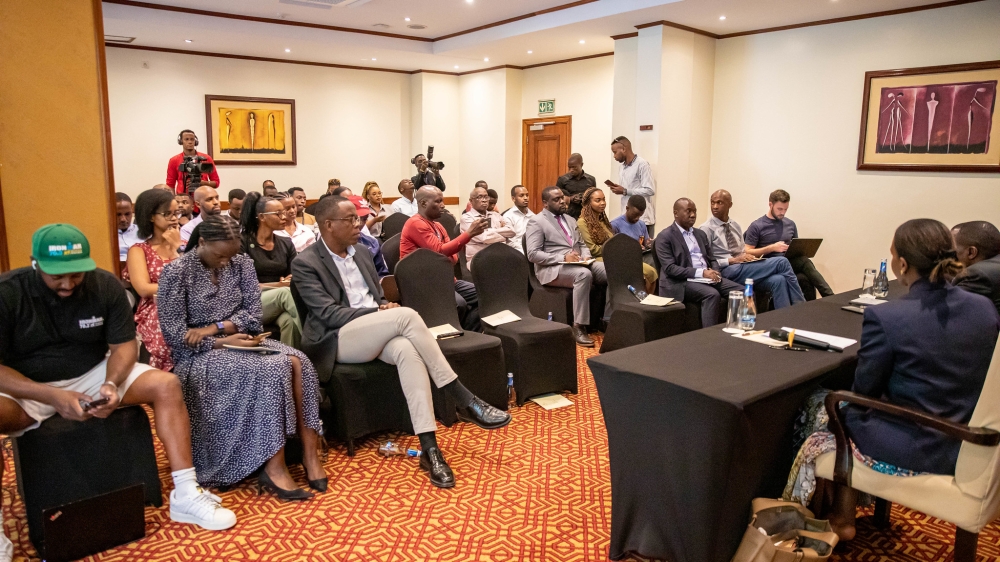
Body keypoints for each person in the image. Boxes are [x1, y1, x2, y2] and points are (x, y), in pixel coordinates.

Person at [0, 224, 236, 531]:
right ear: (35, 264)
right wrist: (52, 396)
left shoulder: (104, 285)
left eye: (76, 274)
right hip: (28, 383)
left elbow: (124, 346)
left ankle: (186, 493)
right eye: (57, 276)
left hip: (93, 372)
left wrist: (110, 383)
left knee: (166, 384)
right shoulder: (8, 293)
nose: (68, 284)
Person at [783, 218, 1000, 542]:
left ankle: (834, 516)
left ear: (900, 264)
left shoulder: (888, 317)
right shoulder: (984, 308)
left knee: (825, 404)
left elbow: (864, 390)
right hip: (966, 441)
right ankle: (846, 512)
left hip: (916, 445)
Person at [292, 196, 510, 488]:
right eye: (351, 220)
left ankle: (430, 449)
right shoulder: (306, 262)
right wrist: (379, 311)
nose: (360, 224)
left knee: (408, 350)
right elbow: (327, 314)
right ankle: (462, 397)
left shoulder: (361, 253)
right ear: (328, 225)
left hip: (374, 330)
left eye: (359, 218)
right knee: (406, 315)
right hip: (337, 340)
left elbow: (379, 296)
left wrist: (381, 309)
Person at [157, 215, 325, 499]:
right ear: (201, 243)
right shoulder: (176, 273)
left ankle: (311, 456)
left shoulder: (242, 263)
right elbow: (176, 336)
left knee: (300, 362)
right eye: (220, 255)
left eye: (231, 254)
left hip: (241, 341)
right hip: (199, 357)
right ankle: (274, 468)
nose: (226, 262)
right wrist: (219, 343)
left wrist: (215, 328)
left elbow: (254, 316)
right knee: (274, 367)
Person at [525, 186, 609, 347]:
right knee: (583, 275)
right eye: (556, 199)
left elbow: (582, 244)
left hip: (579, 263)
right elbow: (533, 254)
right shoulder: (537, 221)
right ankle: (578, 326)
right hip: (552, 268)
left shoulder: (570, 219)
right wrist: (563, 257)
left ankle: (608, 318)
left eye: (562, 197)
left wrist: (586, 256)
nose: (562, 201)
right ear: (545, 203)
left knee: (611, 270)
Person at [400, 186, 488, 332]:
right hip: (423, 283)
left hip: (445, 280)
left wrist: (445, 254)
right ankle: (452, 338)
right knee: (459, 303)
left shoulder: (438, 226)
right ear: (422, 203)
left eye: (443, 201)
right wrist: (469, 234)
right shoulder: (415, 223)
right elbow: (440, 251)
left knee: (486, 295)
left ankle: (468, 333)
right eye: (438, 201)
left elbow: (452, 258)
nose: (443, 205)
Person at [699, 189, 804, 309]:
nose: (715, 206)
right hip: (726, 270)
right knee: (782, 262)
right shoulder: (706, 229)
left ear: (730, 205)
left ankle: (785, 320)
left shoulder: (735, 225)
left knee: (778, 280)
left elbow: (742, 251)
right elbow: (704, 262)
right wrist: (731, 260)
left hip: (743, 267)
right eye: (712, 203)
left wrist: (749, 257)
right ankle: (800, 306)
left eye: (719, 203)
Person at [655, 198, 742, 328]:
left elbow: (712, 259)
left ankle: (737, 328)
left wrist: (716, 271)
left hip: (705, 277)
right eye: (688, 211)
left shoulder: (700, 234)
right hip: (681, 282)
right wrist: (702, 273)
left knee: (740, 291)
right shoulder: (665, 236)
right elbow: (670, 269)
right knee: (712, 294)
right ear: (676, 213)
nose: (693, 215)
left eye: (695, 211)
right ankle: (708, 338)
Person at [123, 189, 182, 371]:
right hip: (156, 307)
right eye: (167, 214)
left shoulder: (184, 246)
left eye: (176, 213)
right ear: (150, 217)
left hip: (188, 303)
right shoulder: (139, 250)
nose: (174, 218)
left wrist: (176, 250)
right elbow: (143, 288)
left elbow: (195, 282)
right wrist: (176, 288)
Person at [238, 193, 302, 349]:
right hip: (250, 303)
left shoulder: (286, 243)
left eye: (284, 212)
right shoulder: (242, 242)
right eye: (278, 213)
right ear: (261, 217)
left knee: (289, 321)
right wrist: (279, 285)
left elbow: (294, 275)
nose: (284, 217)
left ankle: (290, 362)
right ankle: (316, 341)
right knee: (285, 294)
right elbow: (243, 285)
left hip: (279, 301)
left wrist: (287, 282)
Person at [745, 189, 834, 298]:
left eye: (785, 209)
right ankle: (830, 295)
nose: (782, 212)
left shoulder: (790, 224)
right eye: (779, 209)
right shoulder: (757, 226)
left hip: (788, 263)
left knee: (805, 278)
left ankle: (810, 310)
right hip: (769, 265)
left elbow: (796, 248)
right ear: (770, 204)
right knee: (804, 262)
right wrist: (772, 248)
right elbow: (747, 251)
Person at [606, 194, 659, 294]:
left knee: (655, 258)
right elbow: (613, 249)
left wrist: (649, 243)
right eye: (635, 215)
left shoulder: (642, 224)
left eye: (640, 216)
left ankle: (651, 296)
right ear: (627, 208)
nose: (637, 218)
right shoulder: (615, 225)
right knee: (651, 267)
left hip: (641, 255)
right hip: (625, 258)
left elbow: (645, 241)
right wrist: (633, 248)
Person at [607, 137, 655, 236]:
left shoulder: (642, 164)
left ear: (624, 149)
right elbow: (627, 188)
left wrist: (625, 191)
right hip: (626, 219)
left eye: (615, 152)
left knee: (643, 250)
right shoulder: (621, 167)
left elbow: (650, 190)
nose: (614, 156)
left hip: (642, 219)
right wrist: (619, 189)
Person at [461, 186, 515, 269]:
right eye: (479, 197)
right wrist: (503, 236)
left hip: (499, 256)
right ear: (471, 201)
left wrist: (491, 232)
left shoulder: (496, 215)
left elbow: (511, 231)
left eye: (486, 197)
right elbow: (484, 238)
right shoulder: (466, 218)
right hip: (478, 259)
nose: (484, 200)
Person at [952, 221, 1000, 314]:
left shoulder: (977, 274)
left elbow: (944, 306)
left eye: (955, 251)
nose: (954, 256)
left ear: (971, 252)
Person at [166, 130, 219, 194]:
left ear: (195, 141)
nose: (190, 142)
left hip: (203, 196)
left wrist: (202, 183)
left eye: (192, 139)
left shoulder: (206, 158)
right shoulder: (174, 160)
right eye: (186, 139)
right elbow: (170, 185)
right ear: (181, 141)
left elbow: (216, 183)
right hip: (183, 197)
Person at [350, 196, 390, 278]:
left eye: (364, 219)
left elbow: (382, 275)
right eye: (356, 219)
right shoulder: (332, 246)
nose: (359, 224)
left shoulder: (372, 243)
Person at [556, 153, 597, 219]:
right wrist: (570, 198)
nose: (571, 170)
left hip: (586, 215)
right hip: (568, 215)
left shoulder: (591, 179)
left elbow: (594, 197)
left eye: (574, 167)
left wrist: (583, 197)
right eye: (569, 167)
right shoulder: (562, 179)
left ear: (581, 165)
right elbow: (557, 198)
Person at [503, 185, 534, 254]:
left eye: (527, 195)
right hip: (516, 252)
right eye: (521, 195)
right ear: (513, 198)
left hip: (532, 250)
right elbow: (510, 241)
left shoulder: (533, 216)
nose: (526, 198)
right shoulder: (508, 216)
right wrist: (525, 250)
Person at [116, 192, 143, 263]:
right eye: (118, 214)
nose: (123, 219)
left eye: (127, 214)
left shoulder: (143, 232)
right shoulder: (105, 236)